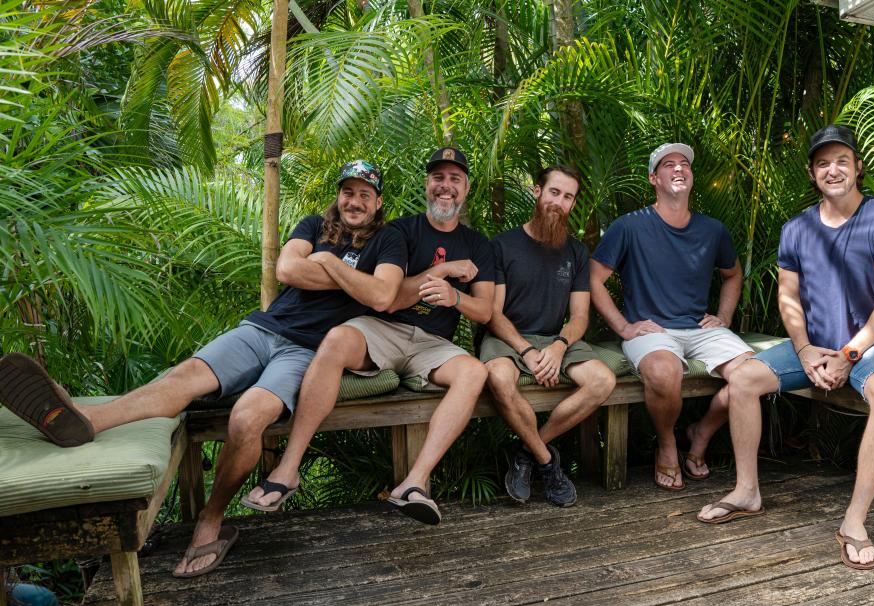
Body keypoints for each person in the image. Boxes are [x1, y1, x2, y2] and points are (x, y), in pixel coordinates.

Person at [0, 160, 407, 577]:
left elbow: (380, 295)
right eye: (347, 192)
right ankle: (86, 419)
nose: (353, 201)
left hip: (307, 351)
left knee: (248, 417)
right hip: (261, 329)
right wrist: (351, 277)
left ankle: (211, 520)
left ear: (377, 203)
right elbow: (287, 269)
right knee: (184, 376)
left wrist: (327, 263)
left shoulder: (388, 241)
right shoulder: (312, 224)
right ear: (337, 195)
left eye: (364, 194)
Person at [699, 125, 874, 570]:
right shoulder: (796, 228)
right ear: (812, 173)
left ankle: (854, 523)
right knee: (742, 378)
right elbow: (788, 297)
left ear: (858, 166)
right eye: (822, 163)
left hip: (868, 346)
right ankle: (747, 491)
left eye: (841, 161)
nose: (832, 170)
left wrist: (849, 354)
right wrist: (802, 351)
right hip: (811, 347)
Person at [244, 146, 494, 525]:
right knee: (336, 341)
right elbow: (387, 300)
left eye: (454, 179)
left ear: (466, 188)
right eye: (438, 178)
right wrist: (439, 273)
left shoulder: (478, 244)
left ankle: (414, 484)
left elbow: (485, 310)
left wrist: (455, 296)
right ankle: (287, 468)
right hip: (381, 329)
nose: (446, 187)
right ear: (427, 184)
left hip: (432, 344)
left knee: (474, 372)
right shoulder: (399, 232)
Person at [590, 142, 753, 491]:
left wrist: (723, 316)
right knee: (664, 373)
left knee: (753, 376)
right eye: (668, 165)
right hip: (653, 330)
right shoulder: (629, 226)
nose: (679, 169)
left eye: (684, 164)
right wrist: (623, 326)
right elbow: (594, 279)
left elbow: (733, 274)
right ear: (654, 178)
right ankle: (666, 443)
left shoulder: (712, 230)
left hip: (700, 329)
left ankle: (700, 434)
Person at [480, 165, 615, 507]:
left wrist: (559, 346)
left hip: (555, 338)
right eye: (554, 192)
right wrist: (525, 350)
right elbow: (493, 313)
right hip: (507, 338)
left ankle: (527, 452)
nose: (560, 202)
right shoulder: (502, 245)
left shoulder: (576, 252)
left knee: (602, 381)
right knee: (498, 378)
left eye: (568, 197)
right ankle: (548, 463)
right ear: (537, 193)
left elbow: (581, 315)